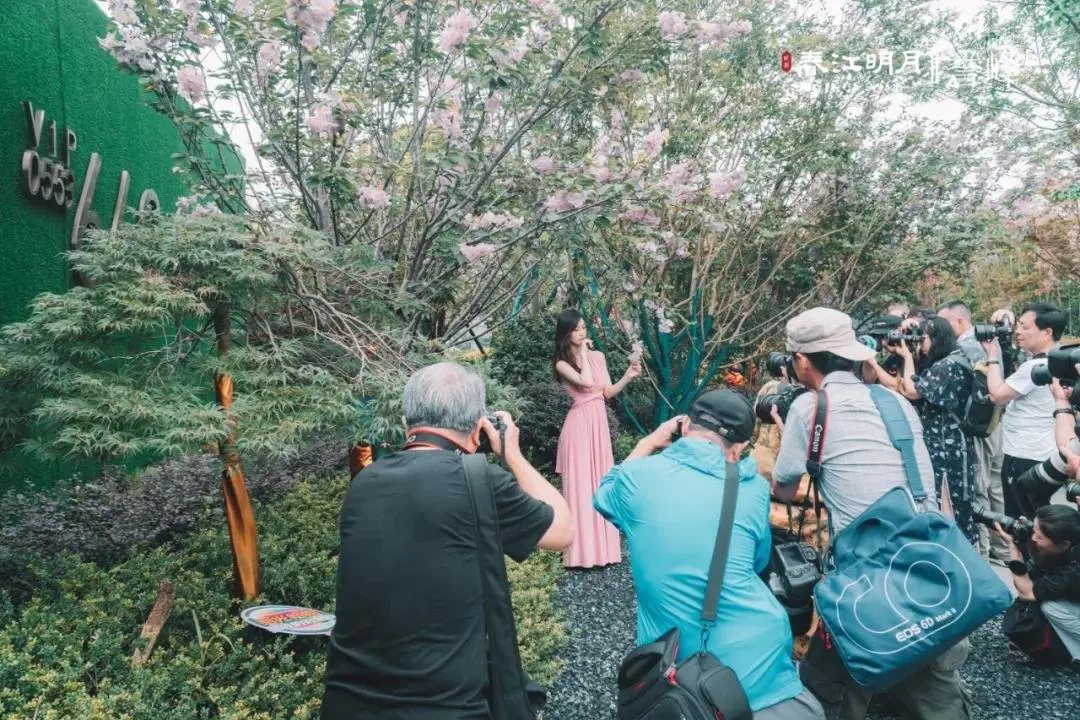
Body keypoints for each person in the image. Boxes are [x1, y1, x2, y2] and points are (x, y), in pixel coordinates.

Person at [321, 362, 573, 719]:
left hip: (348, 704)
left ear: (407, 424)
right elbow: (563, 531)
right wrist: (511, 455)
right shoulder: (480, 482)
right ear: (476, 428)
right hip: (445, 707)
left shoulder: (364, 483)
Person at [770, 307, 970, 720]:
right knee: (928, 671)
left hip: (869, 569)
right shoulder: (894, 400)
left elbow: (784, 487)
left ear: (802, 361)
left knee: (838, 671)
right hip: (930, 554)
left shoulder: (811, 409)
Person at [593, 390, 825, 719]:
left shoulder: (636, 480)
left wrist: (649, 443)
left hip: (678, 668)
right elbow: (759, 562)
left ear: (684, 426)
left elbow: (604, 491)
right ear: (742, 447)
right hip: (762, 661)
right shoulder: (753, 488)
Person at [872, 315, 979, 545]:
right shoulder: (942, 362)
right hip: (940, 444)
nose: (919, 343)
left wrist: (908, 356)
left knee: (950, 501)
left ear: (937, 337)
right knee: (940, 499)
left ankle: (959, 553)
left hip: (948, 447)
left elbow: (911, 389)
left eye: (923, 337)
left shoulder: (948, 366)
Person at [553, 310, 640, 568]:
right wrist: (582, 354)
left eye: (583, 327)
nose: (582, 332)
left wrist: (628, 376)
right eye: (576, 329)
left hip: (598, 424)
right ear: (566, 334)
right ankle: (580, 555)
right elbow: (585, 381)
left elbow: (606, 393)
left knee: (601, 482)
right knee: (580, 488)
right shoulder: (561, 363)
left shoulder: (598, 357)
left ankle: (605, 552)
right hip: (579, 426)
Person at [938, 300, 1010, 563]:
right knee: (995, 485)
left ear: (958, 321)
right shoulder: (989, 341)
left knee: (979, 485)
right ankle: (1003, 549)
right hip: (994, 421)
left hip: (978, 425)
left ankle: (984, 547)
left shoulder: (966, 345)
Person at [983, 302, 1066, 519]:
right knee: (1038, 514)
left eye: (1025, 327)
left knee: (1022, 520)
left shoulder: (1034, 368)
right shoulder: (1058, 361)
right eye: (1018, 325)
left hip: (1023, 456)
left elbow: (997, 395)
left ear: (1046, 332)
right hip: (1043, 452)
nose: (1018, 332)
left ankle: (1025, 554)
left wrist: (992, 354)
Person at [997, 505, 1080, 669]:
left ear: (1064, 544)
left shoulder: (1073, 572)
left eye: (1038, 535)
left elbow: (1027, 592)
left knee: (1051, 607)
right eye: (1032, 528)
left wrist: (1013, 551)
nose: (1032, 537)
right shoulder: (1071, 546)